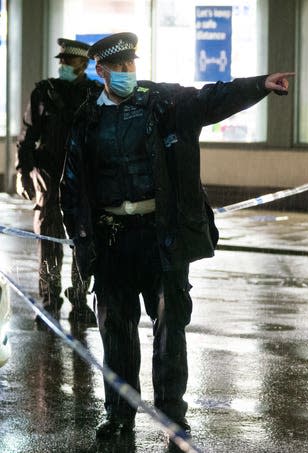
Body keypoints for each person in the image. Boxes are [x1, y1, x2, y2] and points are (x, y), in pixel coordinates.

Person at [59, 31, 293, 439]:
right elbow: (71, 186)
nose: (129, 73)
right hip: (112, 240)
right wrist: (83, 243)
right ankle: (119, 414)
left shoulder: (161, 103)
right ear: (101, 71)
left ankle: (171, 415)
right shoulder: (87, 119)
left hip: (159, 238)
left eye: (132, 65)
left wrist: (259, 85)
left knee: (170, 328)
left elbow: (210, 99)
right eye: (120, 68)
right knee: (116, 331)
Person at [16, 38, 102, 324]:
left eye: (69, 61)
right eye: (61, 61)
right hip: (49, 179)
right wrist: (23, 172)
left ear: (84, 64)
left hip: (84, 181)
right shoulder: (44, 93)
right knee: (49, 242)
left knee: (83, 241)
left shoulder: (95, 94)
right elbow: (27, 136)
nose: (63, 65)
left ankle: (79, 301)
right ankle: (49, 302)